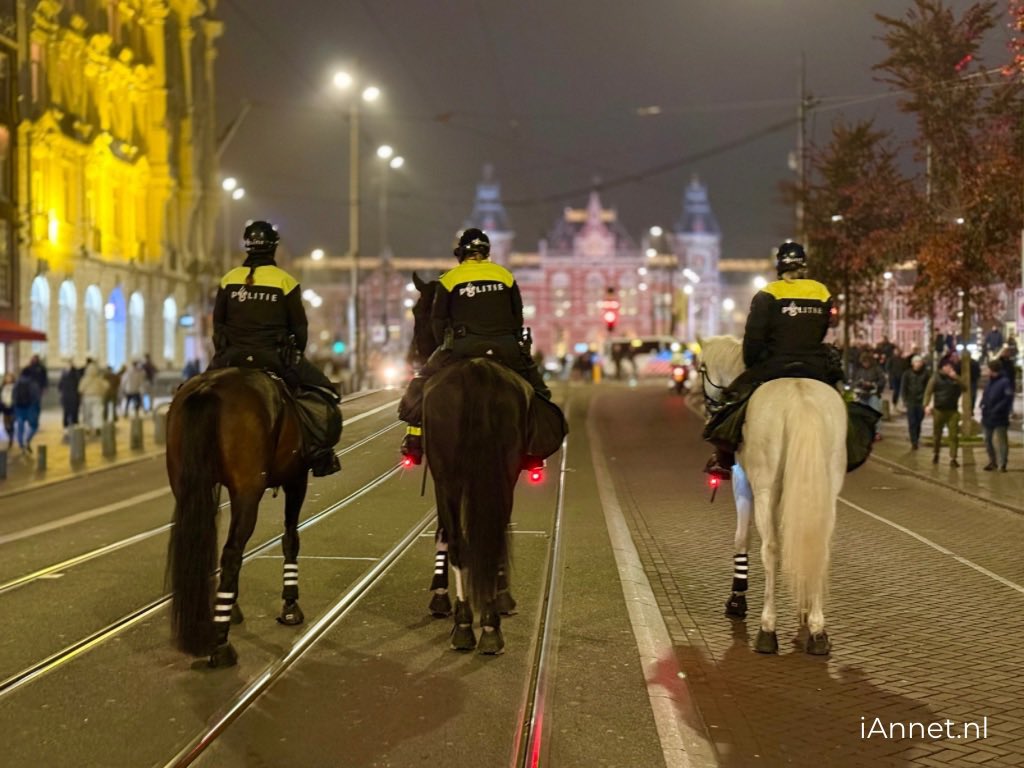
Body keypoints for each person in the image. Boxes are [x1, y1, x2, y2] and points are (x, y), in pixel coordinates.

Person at [398, 228, 556, 466]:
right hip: (505, 347)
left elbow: (438, 320)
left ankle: (414, 440)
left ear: (461, 254)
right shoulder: (505, 276)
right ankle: (534, 448)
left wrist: (445, 345)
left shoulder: (450, 279)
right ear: (487, 252)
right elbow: (517, 317)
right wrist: (508, 339)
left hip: (463, 346)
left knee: (421, 382)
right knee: (538, 391)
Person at [209, 220, 340, 476]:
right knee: (326, 393)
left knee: (194, 392)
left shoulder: (228, 279)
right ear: (274, 248)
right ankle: (321, 454)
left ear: (247, 246)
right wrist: (296, 353)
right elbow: (300, 330)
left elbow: (218, 325)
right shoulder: (286, 281)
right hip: (275, 358)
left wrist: (224, 352)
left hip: (231, 358)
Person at [703, 241, 841, 479]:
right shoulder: (822, 292)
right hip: (815, 366)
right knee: (841, 399)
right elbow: (823, 330)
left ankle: (723, 458)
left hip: (774, 365)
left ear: (779, 266)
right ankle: (843, 447)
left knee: (731, 403)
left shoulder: (767, 294)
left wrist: (751, 362)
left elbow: (754, 338)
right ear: (803, 265)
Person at [924, 360, 967, 468]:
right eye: (947, 366)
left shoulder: (955, 378)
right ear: (943, 367)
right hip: (939, 410)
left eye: (951, 366)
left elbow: (965, 387)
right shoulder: (936, 378)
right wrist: (926, 405)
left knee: (953, 435)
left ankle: (953, 458)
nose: (949, 368)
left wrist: (956, 377)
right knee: (937, 435)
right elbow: (928, 392)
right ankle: (936, 453)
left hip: (952, 410)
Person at [980, 358, 1013, 472]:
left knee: (1001, 440)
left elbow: (1008, 398)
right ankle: (992, 461)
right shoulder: (990, 381)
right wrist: (982, 403)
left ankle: (1002, 464)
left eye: (987, 368)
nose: (986, 370)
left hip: (1000, 416)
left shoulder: (1005, 382)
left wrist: (998, 409)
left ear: (993, 370)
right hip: (988, 415)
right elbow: (986, 394)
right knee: (987, 440)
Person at [899, 354, 929, 450]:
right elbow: (903, 387)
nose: (918, 364)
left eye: (919, 362)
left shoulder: (926, 374)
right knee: (912, 421)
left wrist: (927, 401)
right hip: (911, 400)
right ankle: (914, 441)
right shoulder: (907, 374)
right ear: (912, 364)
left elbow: (928, 388)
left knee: (918, 421)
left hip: (921, 401)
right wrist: (904, 399)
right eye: (916, 362)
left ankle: (916, 436)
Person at [11, 368, 42, 453]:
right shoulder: (33, 384)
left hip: (19, 408)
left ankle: (21, 444)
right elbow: (37, 398)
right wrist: (37, 409)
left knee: (20, 427)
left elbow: (13, 396)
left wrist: (15, 407)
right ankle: (27, 440)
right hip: (30, 408)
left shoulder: (17, 383)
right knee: (34, 426)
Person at [79, 359, 107, 435]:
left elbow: (80, 389)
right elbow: (106, 386)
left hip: (87, 397)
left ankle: (88, 427)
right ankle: (98, 427)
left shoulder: (85, 379)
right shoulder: (99, 379)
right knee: (98, 412)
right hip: (98, 397)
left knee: (88, 413)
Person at [58, 360, 83, 434]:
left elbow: (60, 386)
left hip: (68, 397)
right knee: (73, 413)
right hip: (73, 397)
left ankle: (67, 428)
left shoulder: (65, 375)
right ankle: (74, 428)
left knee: (67, 413)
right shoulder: (76, 375)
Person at [0, 372, 14, 448]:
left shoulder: (15, 386)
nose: (8, 379)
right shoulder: (2, 387)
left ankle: (11, 438)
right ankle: (10, 435)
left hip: (12, 408)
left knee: (11, 424)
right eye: (7, 377)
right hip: (5, 409)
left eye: (10, 377)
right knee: (6, 426)